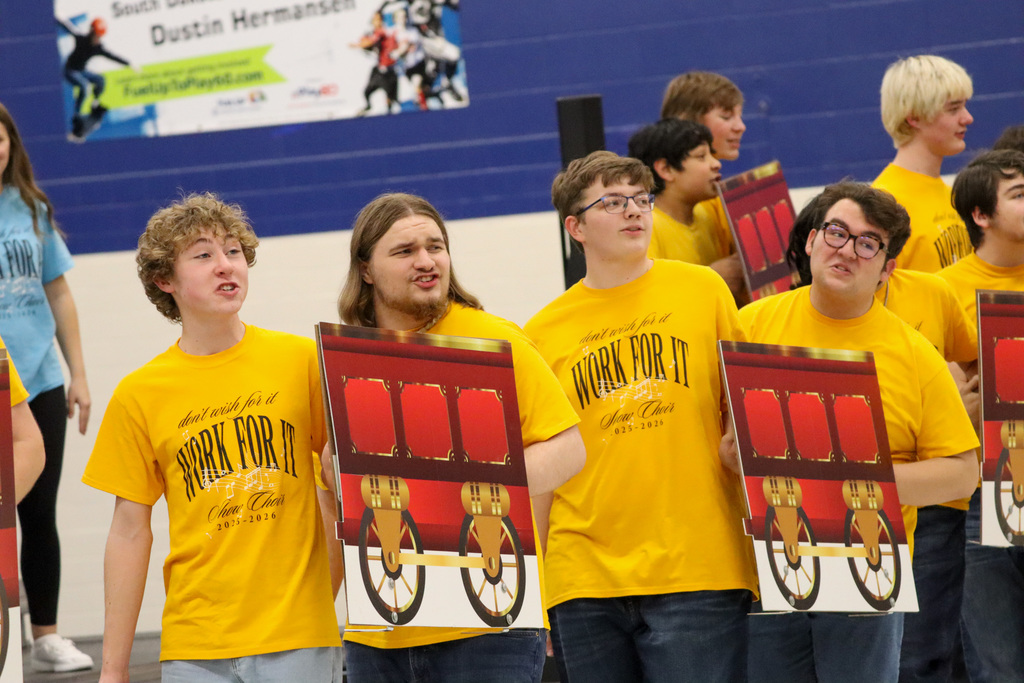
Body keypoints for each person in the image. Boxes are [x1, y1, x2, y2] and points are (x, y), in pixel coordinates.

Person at [83, 193, 341, 682]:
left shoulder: (304, 360)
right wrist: (112, 670)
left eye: (234, 251)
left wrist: (319, 604)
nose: (226, 265)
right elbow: (129, 532)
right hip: (195, 643)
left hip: (299, 637)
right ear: (165, 280)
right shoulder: (140, 393)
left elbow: (343, 484)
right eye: (202, 255)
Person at [524, 150, 755, 682]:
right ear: (575, 227)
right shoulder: (541, 332)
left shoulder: (703, 290)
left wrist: (737, 442)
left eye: (640, 198)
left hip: (698, 564)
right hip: (582, 575)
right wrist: (532, 590)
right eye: (613, 201)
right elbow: (539, 473)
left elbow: (743, 407)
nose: (634, 211)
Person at [335, 192, 586, 683]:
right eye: (405, 251)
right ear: (366, 269)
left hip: (490, 623)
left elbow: (568, 449)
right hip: (377, 630)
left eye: (436, 246)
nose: (427, 262)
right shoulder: (345, 359)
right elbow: (331, 485)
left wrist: (463, 486)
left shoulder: (495, 340)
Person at [734, 181, 979, 683]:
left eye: (868, 243)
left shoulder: (913, 354)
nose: (846, 249)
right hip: (765, 565)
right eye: (837, 232)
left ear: (887, 268)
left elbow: (962, 474)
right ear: (810, 241)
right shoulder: (749, 328)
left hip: (867, 572)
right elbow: (719, 445)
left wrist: (858, 481)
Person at [0, 102, 95, 672]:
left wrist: (77, 372)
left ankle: (47, 637)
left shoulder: (31, 209)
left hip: (38, 378)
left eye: (3, 138)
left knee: (39, 512)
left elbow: (58, 293)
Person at [941, 148, 1024, 682]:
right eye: (1018, 194)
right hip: (988, 489)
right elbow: (947, 398)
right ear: (981, 215)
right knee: (998, 662)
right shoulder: (947, 290)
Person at [872, 55, 974, 273]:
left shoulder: (952, 195)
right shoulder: (884, 205)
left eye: (965, 106)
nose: (967, 118)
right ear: (914, 117)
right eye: (954, 109)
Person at [660, 71, 747, 301]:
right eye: (727, 117)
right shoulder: (649, 214)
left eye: (739, 116)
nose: (741, 127)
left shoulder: (714, 198)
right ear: (688, 121)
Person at [628, 118, 732, 271]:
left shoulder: (708, 211)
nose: (716, 164)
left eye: (712, 154)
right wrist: (714, 280)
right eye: (701, 156)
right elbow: (652, 293)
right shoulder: (646, 228)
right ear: (666, 169)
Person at [55, 17, 132, 140]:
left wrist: (128, 63)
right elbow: (68, 28)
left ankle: (94, 102)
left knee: (100, 80)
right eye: (96, 35)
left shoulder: (98, 48)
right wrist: (57, 19)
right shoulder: (81, 39)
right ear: (91, 33)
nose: (97, 39)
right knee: (85, 87)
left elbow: (111, 56)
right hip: (70, 71)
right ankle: (77, 115)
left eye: (99, 37)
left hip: (82, 71)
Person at [352, 12, 400, 116]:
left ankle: (390, 114)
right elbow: (369, 43)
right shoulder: (372, 32)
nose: (376, 22)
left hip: (388, 70)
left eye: (378, 19)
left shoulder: (383, 32)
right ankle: (368, 106)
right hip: (378, 69)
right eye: (375, 20)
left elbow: (370, 42)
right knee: (367, 91)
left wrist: (356, 45)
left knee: (390, 97)